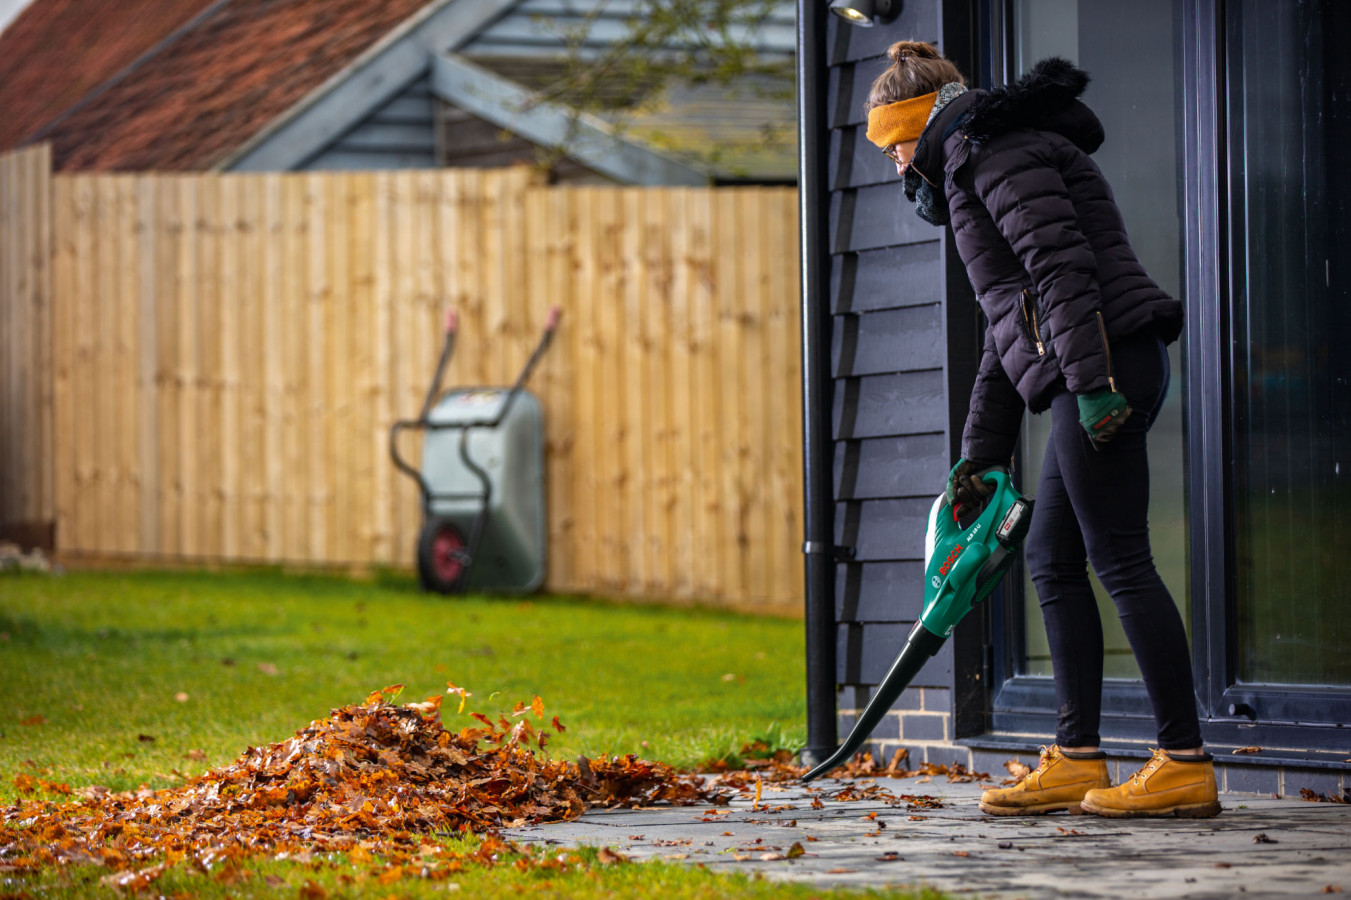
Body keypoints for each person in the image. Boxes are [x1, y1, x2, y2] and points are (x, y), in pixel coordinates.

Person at [863, 41, 1220, 818]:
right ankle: (1078, 757)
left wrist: (1092, 388)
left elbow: (1061, 270)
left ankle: (1184, 762)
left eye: (895, 147)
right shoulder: (970, 161)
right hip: (1084, 365)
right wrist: (977, 455)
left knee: (1118, 557)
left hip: (1103, 364)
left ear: (923, 121)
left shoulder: (994, 151)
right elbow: (1008, 324)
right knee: (1052, 563)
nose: (895, 166)